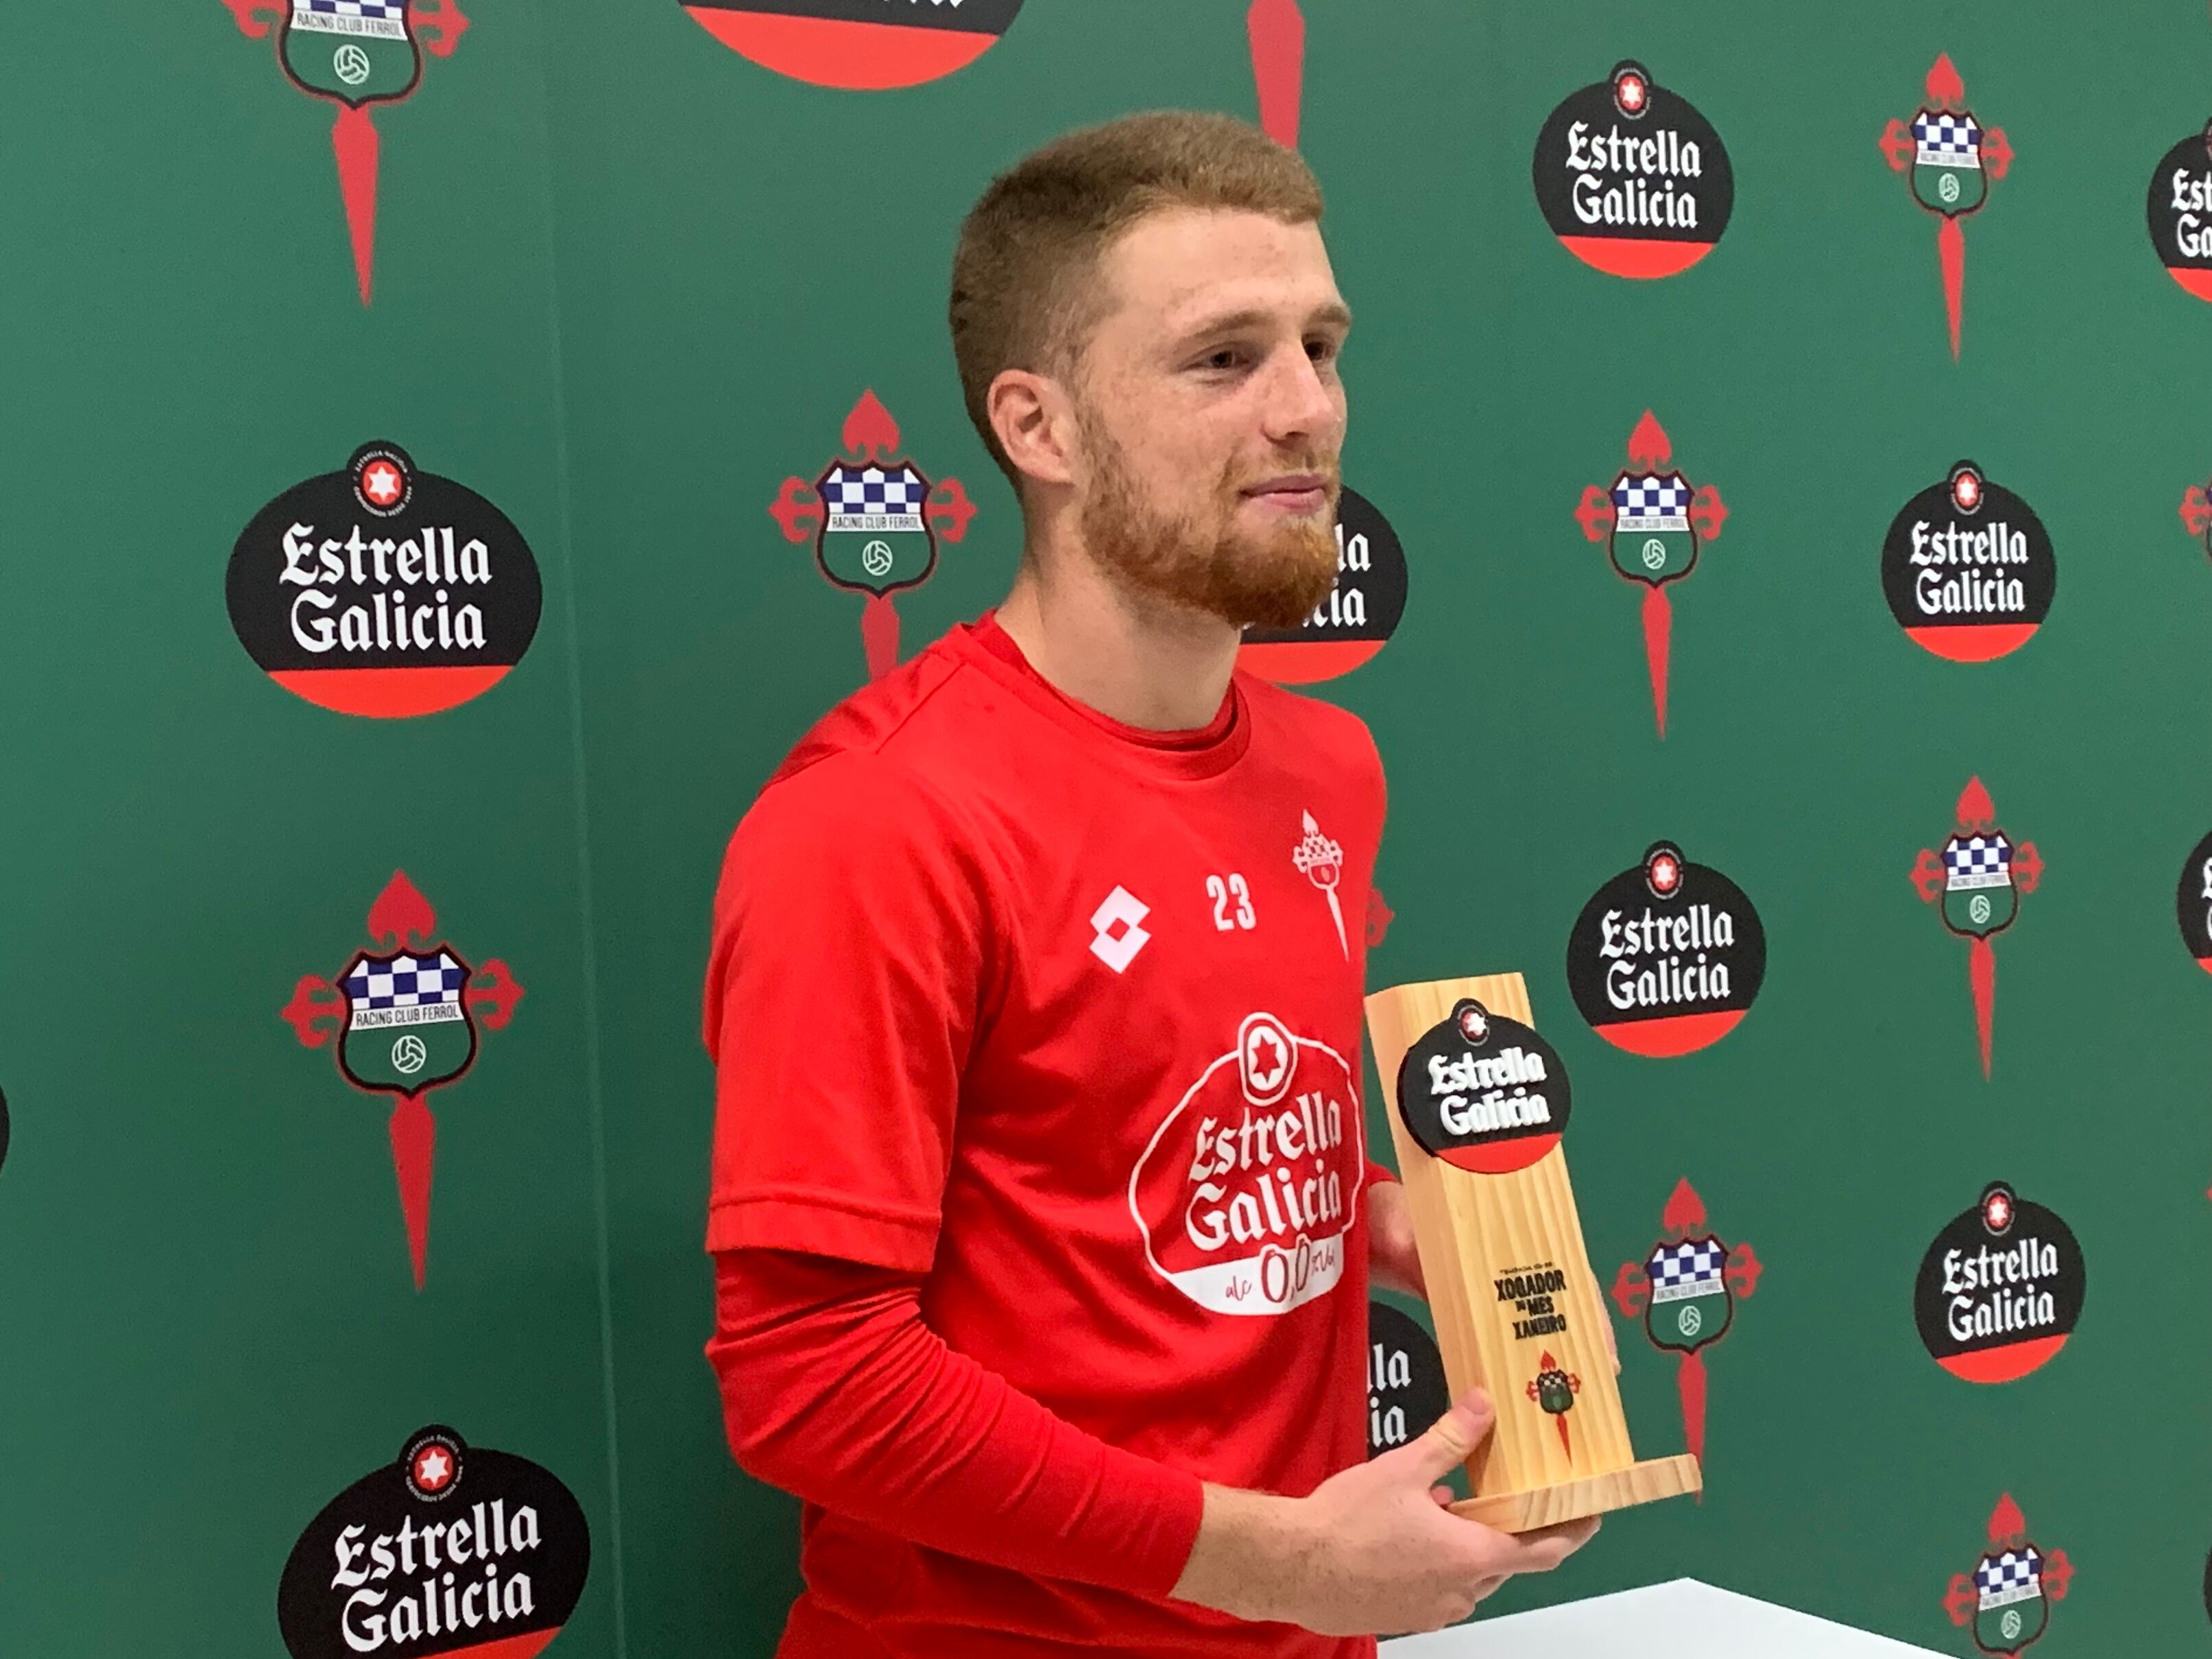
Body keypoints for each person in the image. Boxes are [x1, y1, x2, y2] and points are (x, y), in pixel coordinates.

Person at [702, 110, 1600, 1659]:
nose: (1303, 409)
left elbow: (1135, 1182)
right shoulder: (877, 818)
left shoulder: (1329, 769)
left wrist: (1385, 1222)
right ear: (1037, 426)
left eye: (1320, 345)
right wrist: (1268, 1565)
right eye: (1220, 359)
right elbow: (810, 1376)